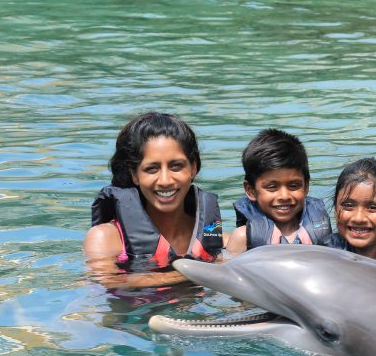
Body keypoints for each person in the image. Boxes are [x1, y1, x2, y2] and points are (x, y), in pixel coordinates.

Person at [84, 112, 225, 288]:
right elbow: (107, 284)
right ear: (134, 174)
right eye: (152, 169)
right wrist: (206, 272)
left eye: (176, 166)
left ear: (193, 168)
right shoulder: (106, 239)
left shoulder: (217, 239)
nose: (165, 180)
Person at [226, 128, 331, 254]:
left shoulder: (320, 228)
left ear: (306, 186)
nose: (284, 196)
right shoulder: (242, 238)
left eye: (293, 186)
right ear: (251, 190)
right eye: (272, 187)